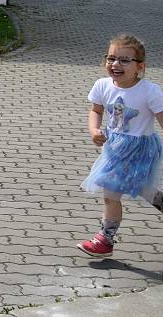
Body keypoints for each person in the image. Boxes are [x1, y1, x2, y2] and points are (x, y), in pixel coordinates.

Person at [77, 33, 163, 258]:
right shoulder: (102, 85)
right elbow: (96, 111)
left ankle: (105, 239)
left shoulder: (149, 91)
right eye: (111, 58)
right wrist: (94, 131)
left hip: (140, 150)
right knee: (117, 192)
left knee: (129, 191)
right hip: (114, 149)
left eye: (124, 60)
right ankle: (105, 239)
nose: (115, 64)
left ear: (139, 67)